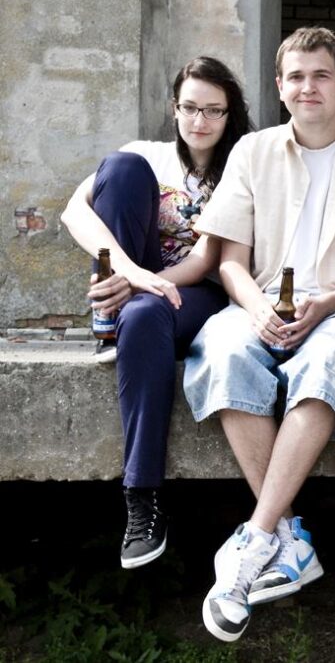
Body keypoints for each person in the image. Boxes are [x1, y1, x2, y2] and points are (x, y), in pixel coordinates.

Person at [182, 27, 335, 642]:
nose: (309, 87)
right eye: (297, 77)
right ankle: (284, 539)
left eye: (322, 76)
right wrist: (256, 310)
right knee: (222, 350)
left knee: (323, 365)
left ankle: (256, 538)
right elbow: (228, 261)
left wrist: (324, 303)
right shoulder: (251, 152)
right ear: (280, 87)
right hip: (259, 301)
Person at [60, 56, 252, 570]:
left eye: (213, 111)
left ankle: (142, 496)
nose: (199, 121)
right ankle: (116, 324)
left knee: (146, 314)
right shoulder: (148, 155)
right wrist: (127, 273)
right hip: (138, 284)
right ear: (175, 108)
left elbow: (206, 259)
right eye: (190, 108)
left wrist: (146, 284)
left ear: (229, 115)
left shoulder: (239, 168)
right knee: (121, 169)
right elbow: (74, 211)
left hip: (199, 297)